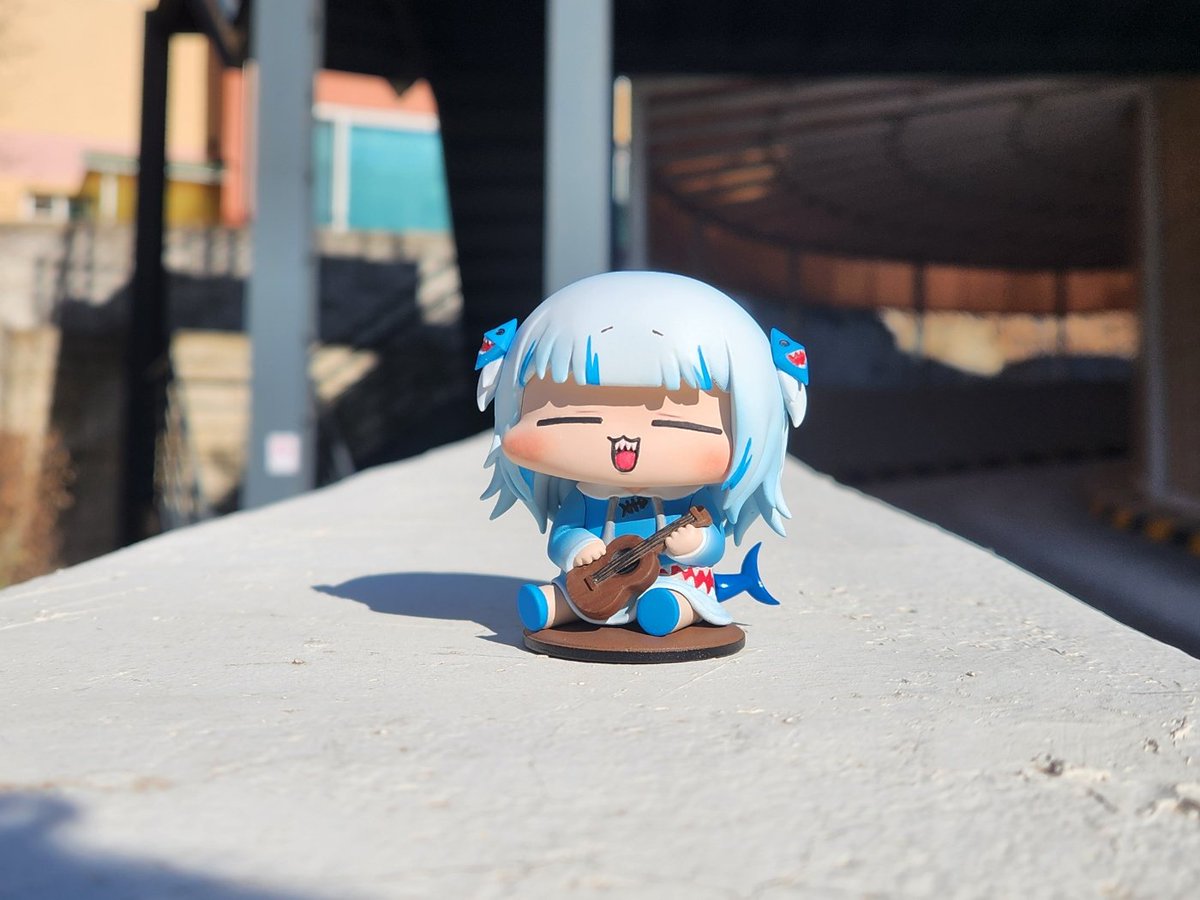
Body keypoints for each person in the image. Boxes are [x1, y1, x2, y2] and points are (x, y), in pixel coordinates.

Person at [476, 271, 808, 636]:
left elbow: (712, 543)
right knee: (567, 594)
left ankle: (670, 612)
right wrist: (577, 546)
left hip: (674, 576)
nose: (624, 436)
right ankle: (553, 607)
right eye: (579, 417)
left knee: (676, 596)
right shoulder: (587, 495)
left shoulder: (689, 500)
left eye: (669, 420)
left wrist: (694, 544)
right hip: (598, 583)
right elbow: (564, 533)